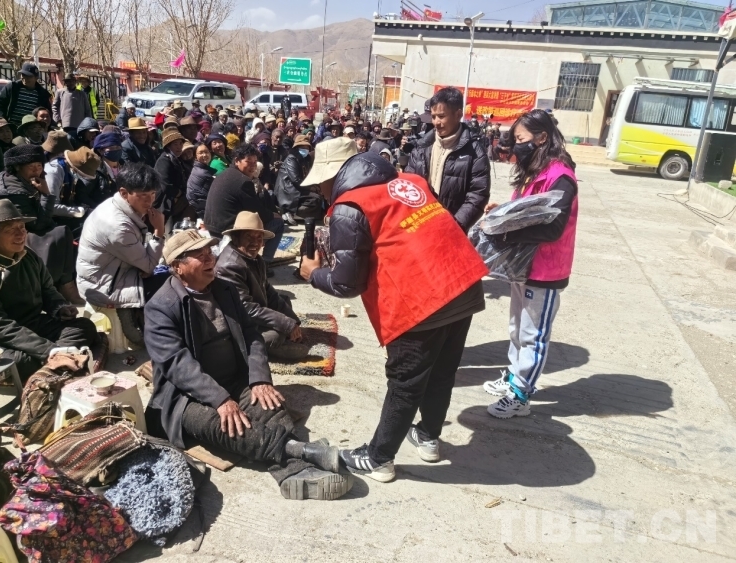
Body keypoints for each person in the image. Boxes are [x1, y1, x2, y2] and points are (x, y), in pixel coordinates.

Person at [299, 140, 487, 482]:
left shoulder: (349, 206)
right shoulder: (409, 181)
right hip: (461, 281)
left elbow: (346, 284)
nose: (320, 191)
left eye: (319, 183)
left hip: (420, 298)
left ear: (333, 176)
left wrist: (314, 274)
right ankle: (428, 437)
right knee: (442, 370)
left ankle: (379, 458)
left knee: (405, 382)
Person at [144, 229, 353, 500]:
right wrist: (220, 399)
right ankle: (304, 452)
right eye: (199, 255)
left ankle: (293, 472)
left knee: (271, 405)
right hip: (187, 398)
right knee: (232, 426)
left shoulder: (224, 289)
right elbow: (177, 364)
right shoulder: (160, 307)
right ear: (177, 267)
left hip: (235, 379)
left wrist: (259, 378)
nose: (210, 259)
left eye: (210, 252)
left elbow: (251, 335)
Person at [480, 109, 578, 419]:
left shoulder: (560, 177)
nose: (516, 146)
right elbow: (527, 210)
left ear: (542, 138)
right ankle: (513, 376)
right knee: (516, 327)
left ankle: (521, 395)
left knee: (533, 334)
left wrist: (507, 232)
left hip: (544, 269)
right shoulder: (535, 171)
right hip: (523, 265)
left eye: (521, 139)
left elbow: (553, 227)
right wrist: (504, 211)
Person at [0, 200, 98, 379]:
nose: (20, 234)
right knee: (20, 362)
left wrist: (59, 307)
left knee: (84, 326)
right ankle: (59, 359)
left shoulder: (28, 256)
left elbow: (47, 288)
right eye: (10, 229)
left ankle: (57, 362)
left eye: (22, 227)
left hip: (33, 324)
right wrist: (49, 350)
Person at [77, 163, 167, 344]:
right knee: (173, 282)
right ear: (124, 193)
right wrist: (159, 231)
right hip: (104, 286)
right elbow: (149, 265)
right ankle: (148, 333)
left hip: (112, 272)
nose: (149, 201)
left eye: (152, 194)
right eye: (143, 195)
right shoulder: (117, 226)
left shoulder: (116, 204)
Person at [0, 145, 82, 304]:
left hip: (32, 224)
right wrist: (46, 194)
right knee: (60, 233)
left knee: (67, 231)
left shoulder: (24, 180)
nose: (37, 171)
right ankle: (61, 285)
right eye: (31, 167)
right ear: (17, 167)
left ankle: (66, 284)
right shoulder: (11, 190)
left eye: (39, 166)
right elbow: (36, 224)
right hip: (11, 232)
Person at [215, 212, 308, 360]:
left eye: (259, 237)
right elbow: (246, 308)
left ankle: (281, 339)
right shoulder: (229, 266)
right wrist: (285, 324)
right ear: (236, 238)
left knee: (284, 302)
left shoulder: (255, 259)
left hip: (255, 312)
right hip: (238, 323)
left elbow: (268, 291)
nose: (255, 243)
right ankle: (263, 348)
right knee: (276, 334)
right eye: (249, 237)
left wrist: (293, 322)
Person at [405, 88, 490, 233]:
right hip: (418, 227)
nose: (436, 122)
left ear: (458, 114)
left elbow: (478, 195)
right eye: (433, 117)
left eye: (441, 116)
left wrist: (453, 226)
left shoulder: (475, 152)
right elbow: (409, 184)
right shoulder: (421, 147)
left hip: (451, 231)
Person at [204, 144, 284, 255]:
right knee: (278, 223)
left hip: (213, 226)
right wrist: (273, 215)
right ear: (237, 161)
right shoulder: (243, 181)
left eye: (255, 162)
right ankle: (265, 261)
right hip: (227, 229)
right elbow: (256, 212)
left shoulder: (225, 174)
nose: (253, 166)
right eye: (248, 162)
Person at [43, 131, 88, 226]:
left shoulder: (65, 168)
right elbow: (52, 207)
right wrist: (76, 211)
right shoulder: (53, 171)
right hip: (52, 221)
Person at [275, 134, 320, 225]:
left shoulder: (305, 159)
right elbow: (295, 180)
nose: (305, 149)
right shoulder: (291, 159)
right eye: (302, 147)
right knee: (315, 198)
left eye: (306, 147)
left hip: (299, 187)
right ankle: (289, 212)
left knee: (318, 198)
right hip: (289, 189)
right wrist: (310, 188)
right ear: (297, 148)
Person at [0, 63, 52, 129]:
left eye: (29, 76)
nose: (25, 78)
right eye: (23, 75)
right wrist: (2, 121)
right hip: (11, 128)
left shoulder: (42, 94)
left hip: (31, 130)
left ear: (36, 78)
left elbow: (47, 112)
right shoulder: (12, 88)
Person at [75, 131, 122, 209]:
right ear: (100, 150)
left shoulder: (125, 167)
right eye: (111, 148)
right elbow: (81, 194)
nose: (115, 150)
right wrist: (98, 209)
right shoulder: (94, 170)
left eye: (118, 147)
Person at [154, 128, 190, 223]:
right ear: (168, 146)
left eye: (180, 144)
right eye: (175, 144)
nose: (179, 147)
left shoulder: (175, 159)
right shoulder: (164, 160)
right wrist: (178, 194)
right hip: (165, 203)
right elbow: (164, 184)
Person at [51, 74, 91, 142]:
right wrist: (57, 119)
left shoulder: (82, 94)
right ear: (65, 82)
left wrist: (88, 123)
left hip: (79, 125)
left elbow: (87, 110)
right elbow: (54, 106)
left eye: (73, 81)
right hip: (65, 124)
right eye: (68, 81)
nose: (71, 83)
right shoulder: (60, 92)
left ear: (75, 82)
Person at [187, 143, 216, 219]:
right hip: (202, 211)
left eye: (206, 152)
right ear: (195, 156)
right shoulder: (203, 173)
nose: (204, 155)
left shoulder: (198, 169)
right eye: (201, 153)